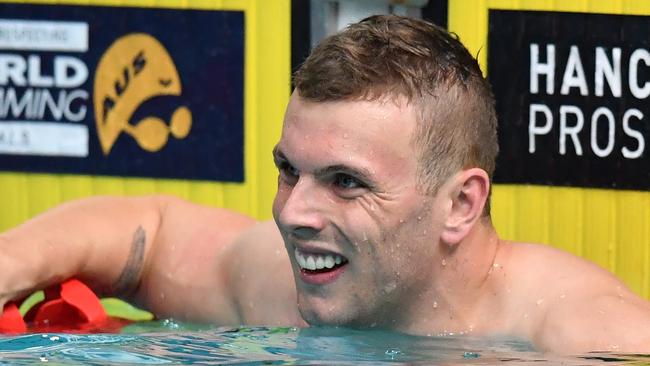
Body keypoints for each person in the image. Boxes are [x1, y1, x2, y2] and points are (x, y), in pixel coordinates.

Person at [1, 15, 649, 354]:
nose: (295, 214)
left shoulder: (577, 337)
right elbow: (150, 230)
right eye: (289, 171)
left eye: (346, 182)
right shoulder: (289, 286)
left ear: (460, 204)